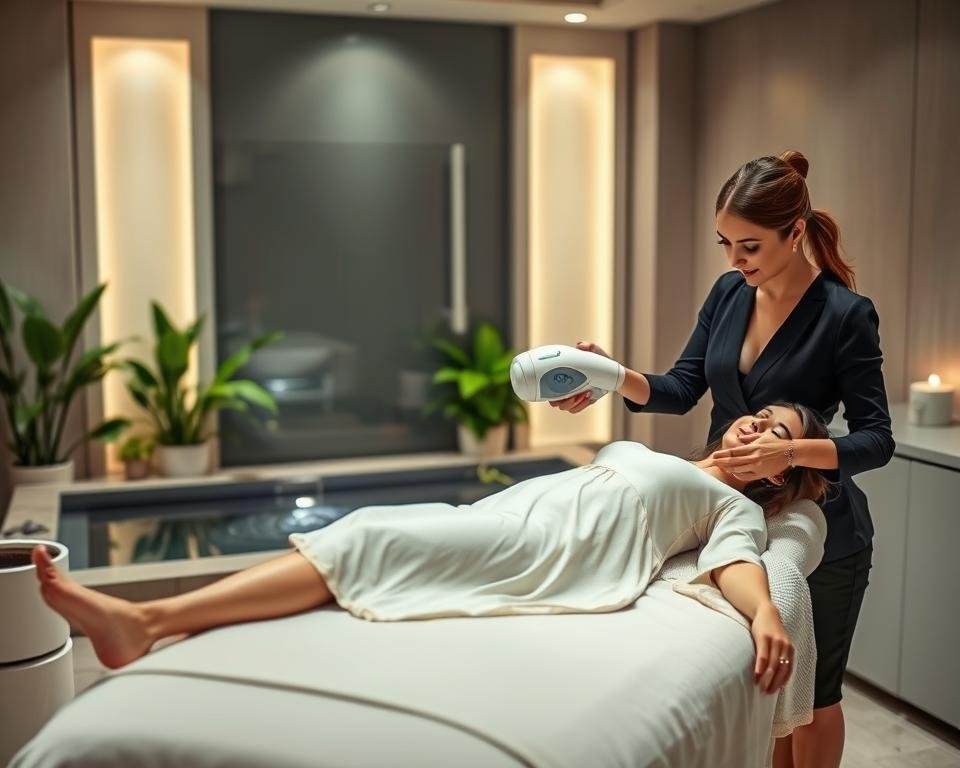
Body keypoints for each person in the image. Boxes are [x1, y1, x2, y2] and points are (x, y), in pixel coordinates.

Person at [33, 403, 827, 700]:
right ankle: (152, 619)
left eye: (779, 434)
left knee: (371, 532)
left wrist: (767, 618)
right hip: (510, 512)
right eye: (755, 416)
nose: (756, 427)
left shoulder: (731, 506)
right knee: (376, 534)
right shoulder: (680, 462)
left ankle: (150, 619)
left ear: (787, 468)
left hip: (550, 548)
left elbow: (740, 562)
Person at [554, 151, 894, 768]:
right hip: (731, 507)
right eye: (726, 243)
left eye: (750, 246)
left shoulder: (845, 314)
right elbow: (683, 386)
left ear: (796, 232)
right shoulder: (729, 294)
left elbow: (876, 439)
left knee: (813, 699)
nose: (735, 261)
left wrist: (787, 450)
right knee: (760, 693)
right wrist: (609, 374)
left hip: (819, 523)